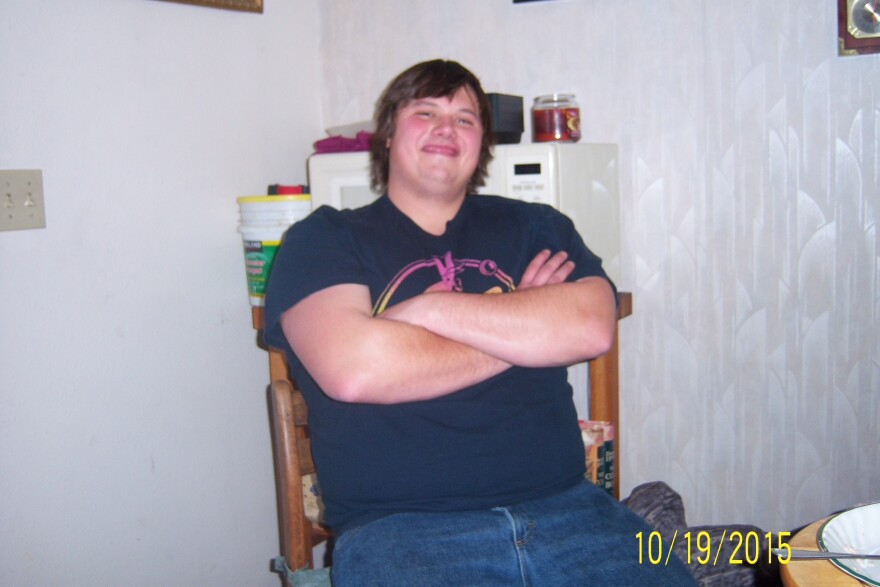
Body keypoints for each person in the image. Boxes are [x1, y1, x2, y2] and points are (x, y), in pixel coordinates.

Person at [264, 59, 696, 586]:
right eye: (426, 112)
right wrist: (524, 321)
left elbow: (590, 329)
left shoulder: (534, 226)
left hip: (573, 514)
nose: (447, 129)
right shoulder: (323, 239)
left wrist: (428, 310)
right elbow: (356, 369)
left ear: (482, 146)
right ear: (387, 136)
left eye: (465, 119)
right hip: (403, 534)